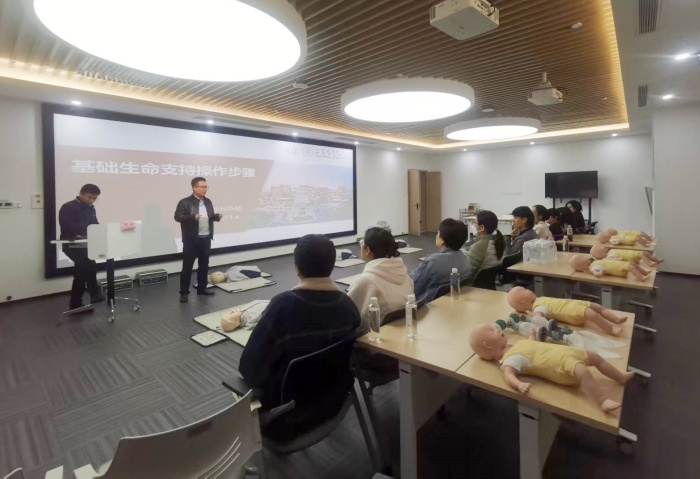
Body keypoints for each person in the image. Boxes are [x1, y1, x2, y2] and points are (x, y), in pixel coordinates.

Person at [239, 234, 360, 441]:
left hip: (285, 419)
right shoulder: (348, 305)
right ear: (332, 266)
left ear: (297, 269)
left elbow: (248, 367)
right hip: (335, 403)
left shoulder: (282, 307)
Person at [348, 227, 414, 332]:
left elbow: (346, 313)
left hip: (374, 338)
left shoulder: (366, 281)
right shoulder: (405, 275)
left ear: (367, 250)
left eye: (362, 243)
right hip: (403, 331)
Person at [174, 177, 222, 303]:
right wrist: (192, 217)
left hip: (205, 238)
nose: (205, 189)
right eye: (202, 187)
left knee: (204, 266)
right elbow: (177, 217)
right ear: (194, 188)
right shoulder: (185, 202)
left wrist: (216, 217)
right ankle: (184, 293)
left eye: (206, 187)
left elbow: (209, 217)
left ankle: (202, 289)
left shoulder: (208, 201)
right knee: (187, 267)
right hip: (191, 239)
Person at [58, 184, 105, 310]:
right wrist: (89, 229)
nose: (92, 200)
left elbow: (95, 225)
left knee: (80, 274)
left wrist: (101, 231)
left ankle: (75, 304)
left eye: (94, 198)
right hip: (72, 245)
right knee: (89, 264)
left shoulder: (91, 209)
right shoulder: (68, 207)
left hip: (86, 245)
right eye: (89, 197)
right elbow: (68, 226)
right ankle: (94, 293)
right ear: (81, 194)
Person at [410, 218, 470, 303]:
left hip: (427, 305)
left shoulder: (432, 262)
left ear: (442, 240)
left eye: (438, 233)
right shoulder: (465, 258)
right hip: (450, 302)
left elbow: (412, 287)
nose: (436, 236)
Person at [465, 210, 505, 284]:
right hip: (489, 285)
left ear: (481, 227)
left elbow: (467, 275)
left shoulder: (478, 247)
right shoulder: (497, 241)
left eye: (475, 222)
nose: (473, 225)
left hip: (474, 287)